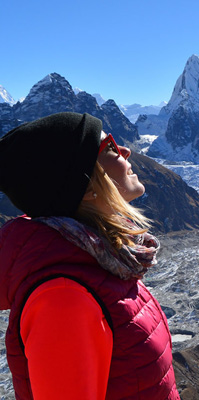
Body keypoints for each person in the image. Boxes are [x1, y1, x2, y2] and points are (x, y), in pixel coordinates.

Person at [0, 112, 180, 399]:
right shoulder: (63, 299)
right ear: (83, 187)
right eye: (109, 146)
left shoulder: (104, 260)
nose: (126, 150)